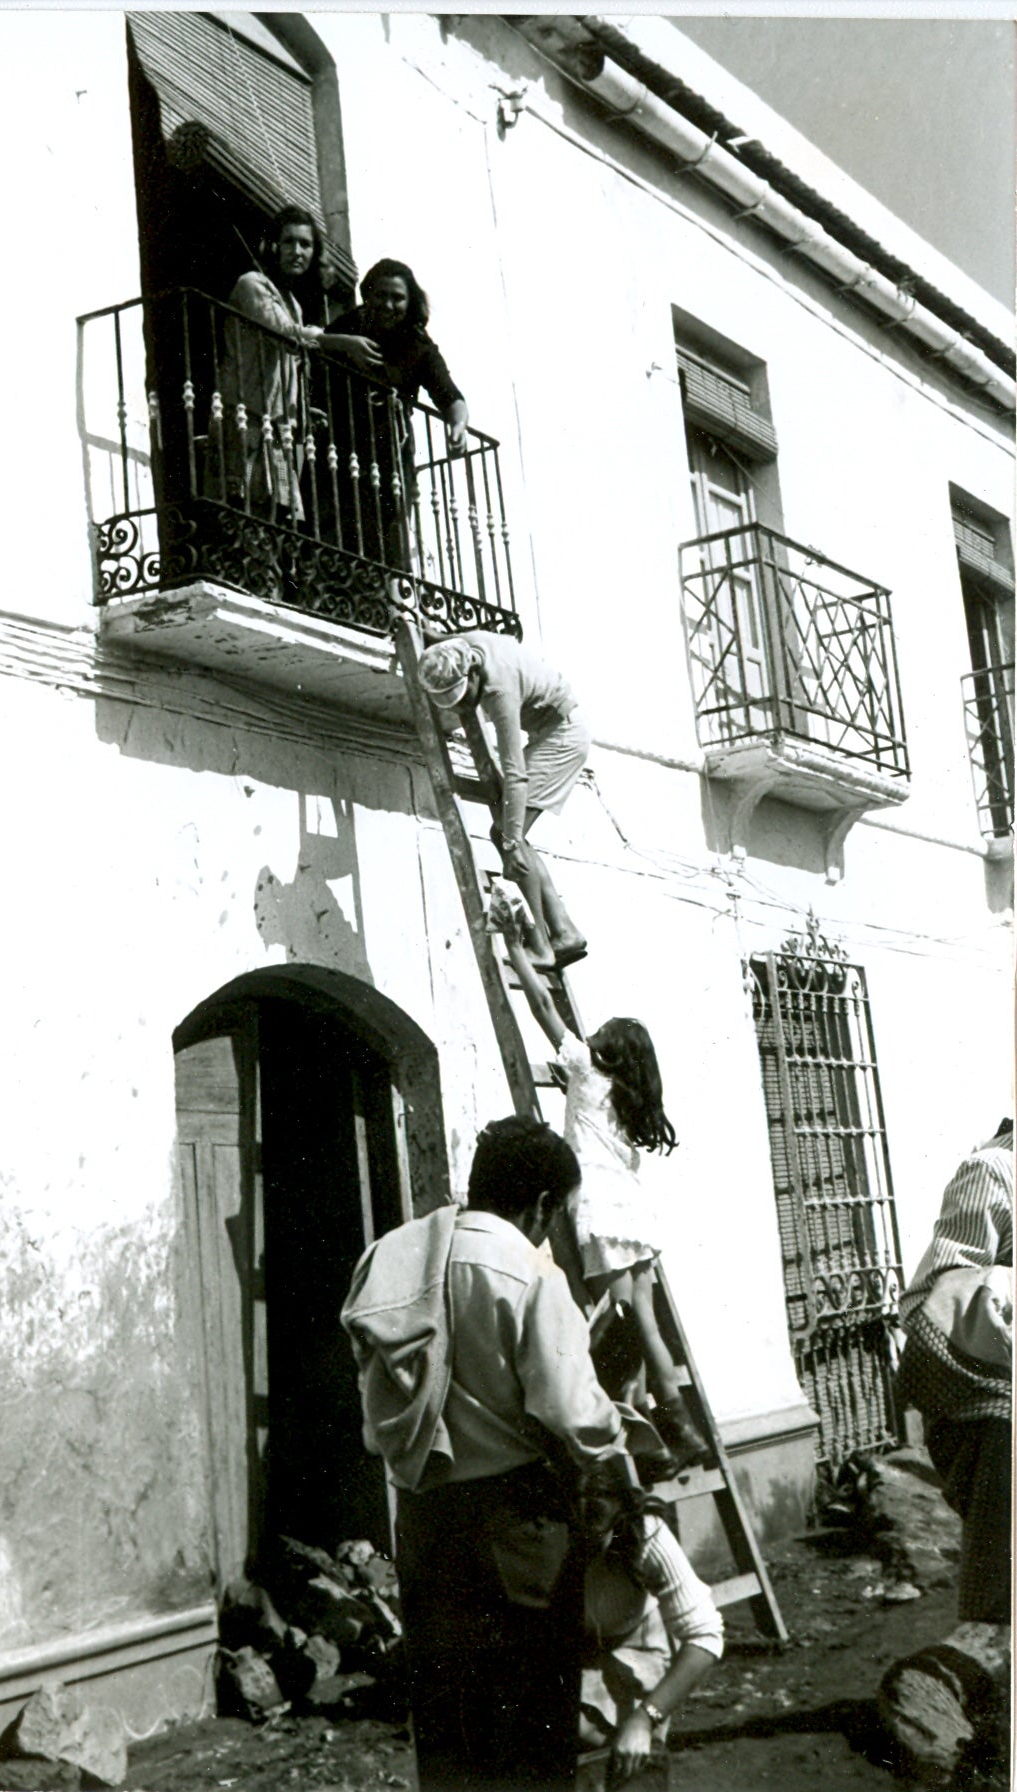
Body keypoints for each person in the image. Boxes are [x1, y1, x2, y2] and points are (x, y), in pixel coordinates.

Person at [341, 1116, 657, 1791]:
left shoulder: (392, 1260)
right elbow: (575, 1415)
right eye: (560, 1213)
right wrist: (623, 1456)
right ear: (541, 1203)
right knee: (531, 1735)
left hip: (427, 1524)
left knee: (451, 1729)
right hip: (519, 1535)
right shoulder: (528, 1275)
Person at [500, 908, 707, 1481]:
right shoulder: (629, 1099)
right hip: (634, 1213)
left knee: (623, 1322)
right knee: (639, 1319)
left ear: (609, 1049)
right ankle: (654, 1428)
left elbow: (543, 1007)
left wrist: (514, 946)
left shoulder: (588, 1072)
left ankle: (670, 1425)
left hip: (599, 1210)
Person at [416, 630, 590, 972]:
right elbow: (444, 639)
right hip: (555, 730)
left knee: (507, 837)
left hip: (563, 738)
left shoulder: (499, 691)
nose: (465, 707)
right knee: (513, 836)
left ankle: (541, 946)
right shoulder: (466, 647)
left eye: (465, 696)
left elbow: (516, 774)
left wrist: (509, 843)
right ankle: (565, 930)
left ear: (475, 674)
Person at [896, 1121, 1013, 1626]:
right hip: (978, 1383)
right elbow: (942, 1292)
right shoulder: (991, 1171)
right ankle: (984, 1676)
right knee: (1001, 1541)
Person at [216, 206, 381, 523]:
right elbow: (287, 335)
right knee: (245, 506)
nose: (297, 251)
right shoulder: (252, 284)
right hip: (245, 417)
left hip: (279, 428)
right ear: (273, 246)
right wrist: (343, 341)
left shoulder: (291, 302)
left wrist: (304, 408)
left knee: (279, 512)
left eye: (305, 244)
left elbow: (291, 367)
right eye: (289, 242)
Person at [578, 1463, 723, 1788]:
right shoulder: (531, 1545)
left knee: (637, 1766)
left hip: (637, 1663)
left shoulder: (645, 1533)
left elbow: (705, 1635)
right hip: (573, 1669)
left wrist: (645, 1719)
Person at [322, 259, 468, 567]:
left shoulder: (418, 345)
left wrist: (458, 426)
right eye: (381, 295)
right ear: (369, 295)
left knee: (389, 542)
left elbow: (449, 394)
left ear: (410, 301)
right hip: (338, 451)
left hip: (391, 458)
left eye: (398, 297)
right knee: (335, 534)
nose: (388, 304)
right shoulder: (344, 328)